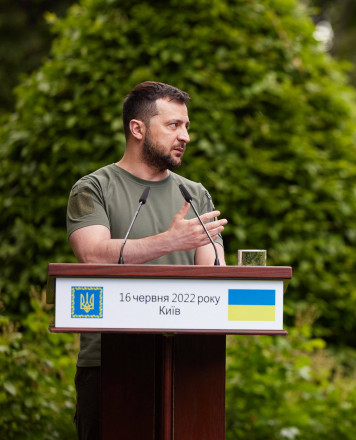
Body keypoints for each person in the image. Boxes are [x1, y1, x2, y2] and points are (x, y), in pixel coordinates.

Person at [66, 81, 228, 439]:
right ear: (137, 128)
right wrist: (169, 241)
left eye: (186, 126)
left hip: (189, 360)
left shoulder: (195, 194)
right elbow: (92, 253)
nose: (185, 135)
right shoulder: (93, 187)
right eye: (173, 125)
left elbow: (214, 273)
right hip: (109, 363)